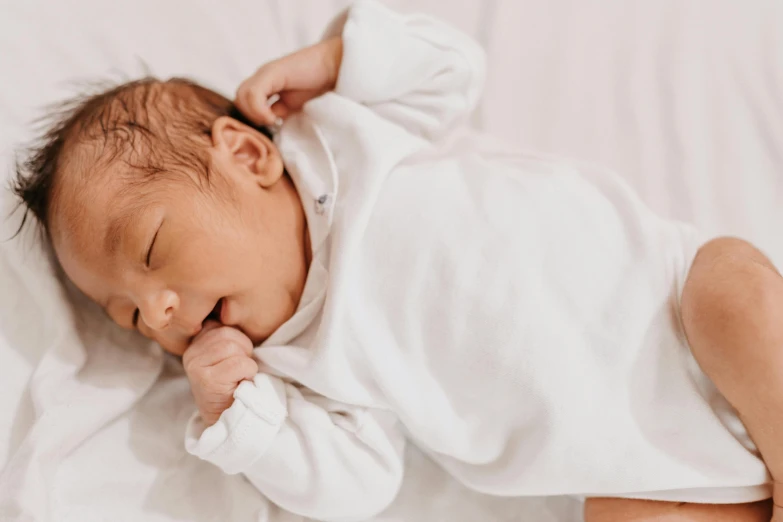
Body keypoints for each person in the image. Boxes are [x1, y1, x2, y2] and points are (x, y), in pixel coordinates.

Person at [12, 1, 783, 520]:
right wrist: (244, 418)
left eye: (151, 252)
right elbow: (359, 487)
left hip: (672, 303)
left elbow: (452, 71)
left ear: (246, 155)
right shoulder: (293, 370)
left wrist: (337, 61)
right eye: (129, 317)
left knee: (739, 292)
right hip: (634, 469)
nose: (157, 313)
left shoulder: (343, 141)